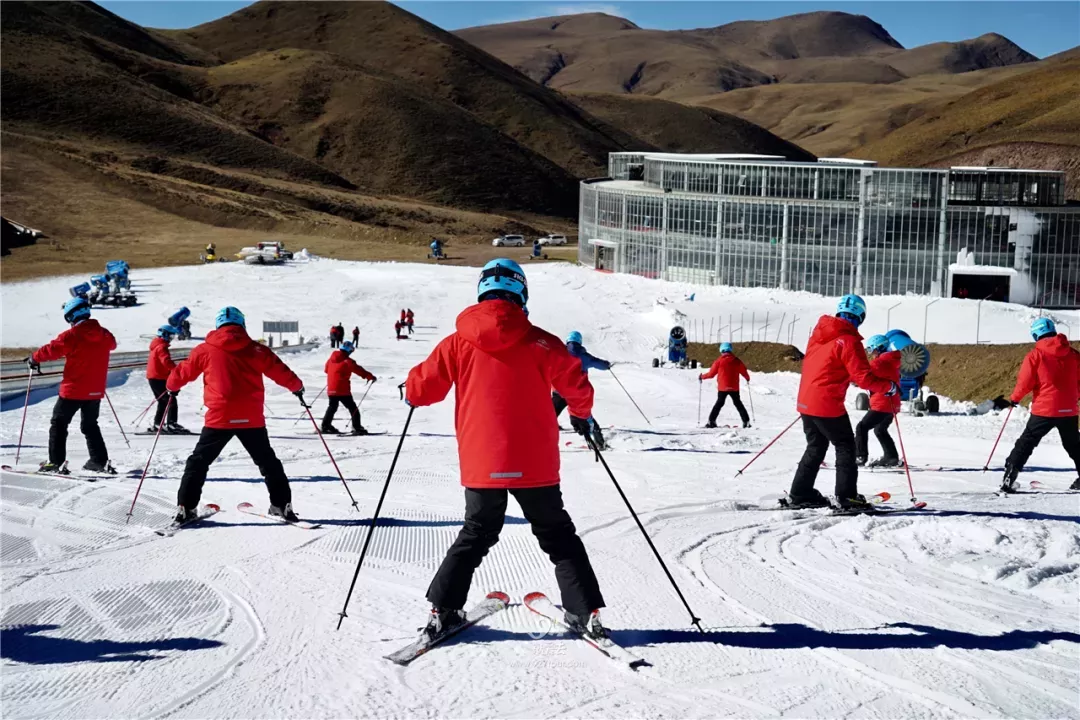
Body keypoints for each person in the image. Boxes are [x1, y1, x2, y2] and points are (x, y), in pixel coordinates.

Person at [405, 259, 608, 641]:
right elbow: (578, 385)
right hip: (535, 464)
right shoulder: (543, 342)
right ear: (522, 293)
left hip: (484, 462)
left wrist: (410, 390)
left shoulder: (456, 343)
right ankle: (585, 612)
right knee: (558, 535)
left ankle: (442, 611)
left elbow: (423, 390)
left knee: (476, 532)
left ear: (482, 291)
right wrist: (581, 415)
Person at [167, 306, 306, 523]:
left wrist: (172, 387)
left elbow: (183, 373)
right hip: (250, 418)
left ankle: (186, 508)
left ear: (218, 325)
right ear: (242, 325)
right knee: (268, 463)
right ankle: (282, 505)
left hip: (219, 418)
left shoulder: (204, 350)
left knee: (198, 463)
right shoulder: (256, 350)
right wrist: (297, 387)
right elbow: (280, 370)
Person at [787, 295, 897, 510]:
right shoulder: (849, 340)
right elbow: (863, 377)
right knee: (845, 445)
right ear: (860, 316)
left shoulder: (818, 334)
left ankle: (800, 493)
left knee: (816, 445)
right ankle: (847, 498)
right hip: (826, 403)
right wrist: (889, 387)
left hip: (807, 402)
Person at [27, 297, 117, 474]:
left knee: (59, 424)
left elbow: (52, 350)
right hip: (95, 390)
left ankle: (55, 462)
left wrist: (34, 358)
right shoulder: (104, 334)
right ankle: (99, 461)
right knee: (90, 426)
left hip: (74, 389)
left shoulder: (72, 335)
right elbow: (112, 344)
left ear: (71, 317)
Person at [1001, 318, 1080, 493]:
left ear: (1036, 334)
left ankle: (1010, 476)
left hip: (1044, 410)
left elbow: (1025, 382)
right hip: (1069, 410)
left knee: (1027, 442)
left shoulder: (1035, 355)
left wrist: (1015, 398)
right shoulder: (1074, 354)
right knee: (1074, 444)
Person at [553, 330, 611, 449]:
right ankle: (599, 442)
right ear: (579, 341)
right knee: (585, 417)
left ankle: (542, 440)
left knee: (549, 413)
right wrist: (607, 364)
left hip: (559, 391)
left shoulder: (559, 352)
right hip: (576, 393)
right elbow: (599, 364)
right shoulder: (584, 356)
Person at [855, 335, 901, 467]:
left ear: (879, 348)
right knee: (880, 430)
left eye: (871, 349)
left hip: (882, 404)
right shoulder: (891, 361)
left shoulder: (879, 363)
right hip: (892, 404)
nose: (871, 353)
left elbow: (864, 377)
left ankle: (860, 457)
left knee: (861, 427)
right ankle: (891, 457)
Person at [322, 341, 376, 435]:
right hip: (342, 389)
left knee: (332, 407)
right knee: (353, 408)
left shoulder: (330, 359)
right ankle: (357, 427)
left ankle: (326, 426)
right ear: (349, 351)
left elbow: (326, 370)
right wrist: (370, 376)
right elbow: (359, 370)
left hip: (331, 388)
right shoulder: (348, 361)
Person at [147, 325, 188, 434]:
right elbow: (166, 361)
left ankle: (158, 424)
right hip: (159, 378)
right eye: (170, 335)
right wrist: (176, 370)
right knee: (171, 400)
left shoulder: (157, 345)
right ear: (164, 334)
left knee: (163, 401)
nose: (171, 338)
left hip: (154, 378)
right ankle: (171, 424)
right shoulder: (161, 347)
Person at [699, 342, 751, 428]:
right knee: (738, 404)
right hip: (734, 388)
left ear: (721, 350)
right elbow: (744, 371)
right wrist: (747, 378)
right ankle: (746, 422)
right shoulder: (736, 360)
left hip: (722, 388)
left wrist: (702, 377)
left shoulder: (719, 361)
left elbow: (711, 374)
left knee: (719, 404)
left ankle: (711, 421)